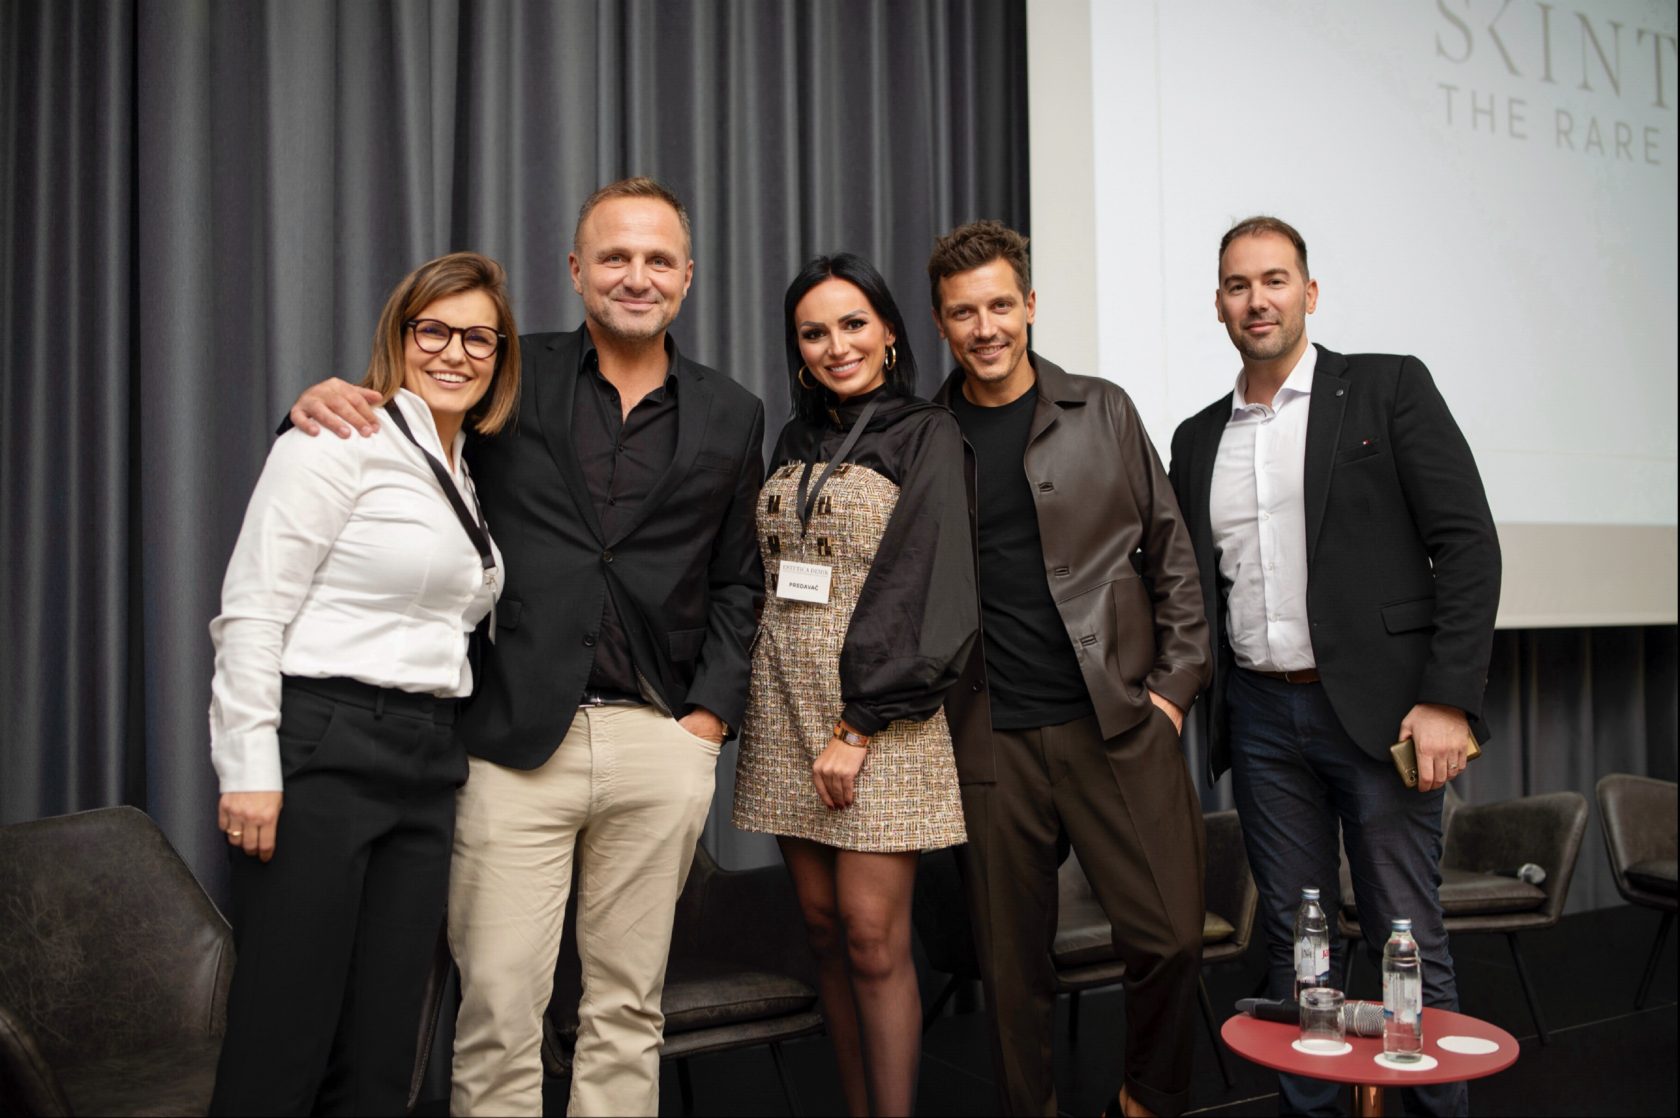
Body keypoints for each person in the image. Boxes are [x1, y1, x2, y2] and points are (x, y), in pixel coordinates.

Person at [287, 178, 765, 1116]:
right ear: (577, 270)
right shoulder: (506, 371)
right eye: (615, 257)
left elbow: (738, 579)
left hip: (659, 739)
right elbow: (402, 444)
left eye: (658, 259)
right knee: (501, 1007)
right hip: (510, 742)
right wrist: (322, 405)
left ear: (688, 277)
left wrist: (707, 721)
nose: (636, 276)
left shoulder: (733, 411)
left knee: (627, 1009)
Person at [1169, 215, 1500, 1117]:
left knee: (1407, 942)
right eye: (1238, 285)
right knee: (1296, 948)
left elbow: (1467, 545)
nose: (1257, 300)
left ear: (1309, 293)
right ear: (1218, 305)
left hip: (1385, 716)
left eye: (1274, 280)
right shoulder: (1197, 439)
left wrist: (1448, 700)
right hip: (1262, 721)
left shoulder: (1387, 389)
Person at [208, 251, 518, 1115]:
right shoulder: (334, 439)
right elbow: (252, 610)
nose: (454, 353)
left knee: (385, 1049)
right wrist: (248, 768)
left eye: (479, 339)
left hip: (427, 762)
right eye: (434, 331)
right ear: (399, 335)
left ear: (500, 358)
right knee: (283, 1038)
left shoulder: (467, 470)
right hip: (324, 748)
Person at [926, 220, 1212, 1118]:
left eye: (999, 306)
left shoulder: (1104, 410)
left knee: (1170, 937)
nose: (984, 328)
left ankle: (1146, 1099)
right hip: (991, 738)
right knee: (1013, 973)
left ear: (1030, 306)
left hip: (1117, 723)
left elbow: (1172, 557)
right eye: (963, 312)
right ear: (940, 323)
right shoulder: (924, 436)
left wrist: (1172, 692)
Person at [732, 253, 977, 1116]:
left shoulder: (926, 432)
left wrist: (860, 724)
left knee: (874, 939)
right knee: (825, 934)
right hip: (784, 704)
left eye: (853, 324)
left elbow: (924, 583)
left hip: (880, 713)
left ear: (890, 333)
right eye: (814, 332)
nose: (836, 346)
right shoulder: (794, 439)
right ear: (797, 349)